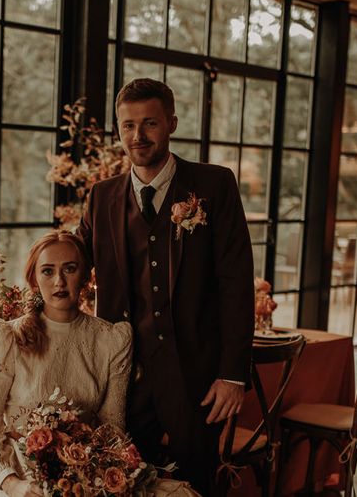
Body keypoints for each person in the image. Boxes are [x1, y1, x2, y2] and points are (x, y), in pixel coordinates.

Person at [77, 77, 255, 496]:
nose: (138, 136)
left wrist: (233, 374)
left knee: (198, 485)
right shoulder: (100, 198)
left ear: (172, 123)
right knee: (122, 484)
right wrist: (30, 307)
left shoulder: (214, 186)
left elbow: (236, 282)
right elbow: (72, 266)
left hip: (196, 378)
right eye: (127, 125)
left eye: (149, 123)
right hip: (122, 378)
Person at [0, 230, 132, 497]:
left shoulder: (112, 340)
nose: (59, 281)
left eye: (70, 268)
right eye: (47, 271)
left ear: (86, 277)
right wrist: (13, 484)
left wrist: (95, 477)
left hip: (82, 477)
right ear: (34, 279)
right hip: (15, 476)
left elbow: (112, 429)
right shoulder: (7, 337)